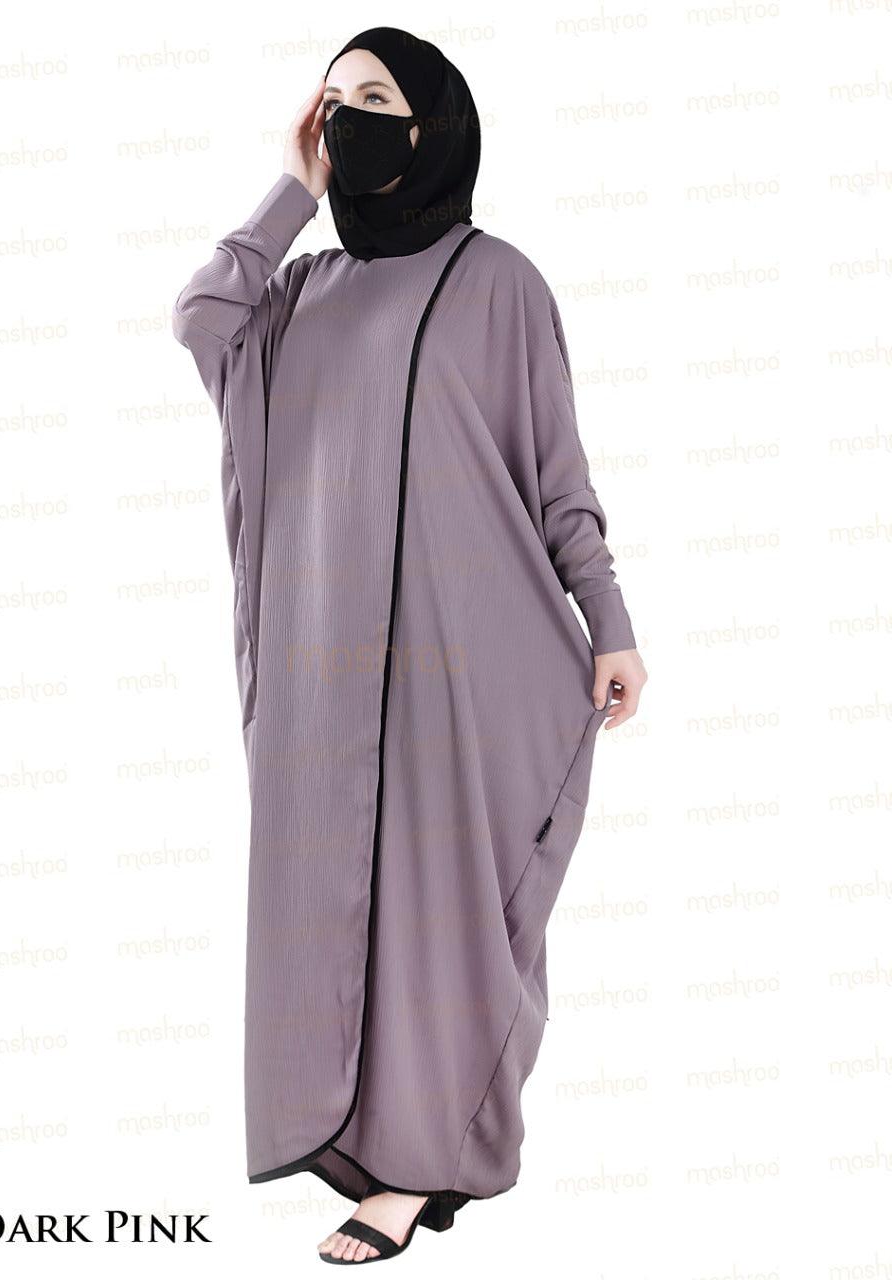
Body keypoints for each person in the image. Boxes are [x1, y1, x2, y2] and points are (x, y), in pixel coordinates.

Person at [171, 25, 647, 1266]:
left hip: (464, 665)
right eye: (332, 100)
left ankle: (419, 1164)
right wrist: (292, 190)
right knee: (332, 907)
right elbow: (200, 317)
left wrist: (608, 623)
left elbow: (556, 478)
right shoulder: (299, 295)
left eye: (374, 98)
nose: (348, 118)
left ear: (431, 125)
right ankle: (353, 1137)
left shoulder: (500, 284)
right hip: (327, 669)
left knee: (442, 914)